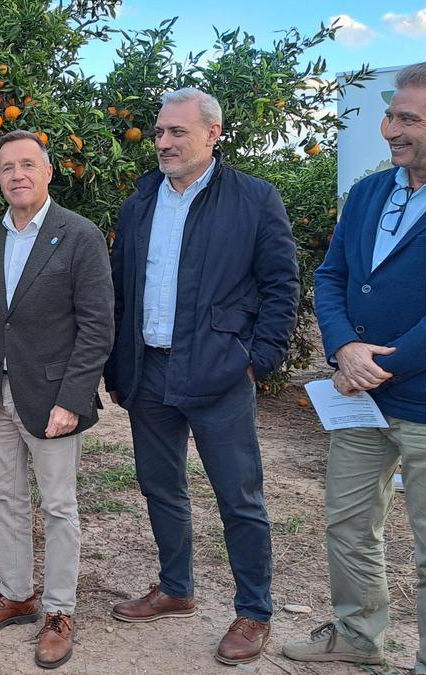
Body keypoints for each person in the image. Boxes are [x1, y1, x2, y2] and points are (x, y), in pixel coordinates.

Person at [284, 59, 426, 675]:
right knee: (348, 526)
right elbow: (332, 276)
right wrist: (341, 349)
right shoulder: (368, 191)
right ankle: (358, 638)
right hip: (360, 400)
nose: (390, 128)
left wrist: (377, 366)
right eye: (390, 115)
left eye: (409, 118)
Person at [103, 88, 299, 665]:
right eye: (159, 132)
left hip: (218, 373)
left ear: (213, 134)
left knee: (238, 496)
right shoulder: (140, 201)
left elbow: (282, 287)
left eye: (176, 133)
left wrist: (256, 359)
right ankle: (176, 589)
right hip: (150, 372)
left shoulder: (255, 200)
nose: (162, 142)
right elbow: (121, 289)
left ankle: (254, 611)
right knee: (160, 487)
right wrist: (119, 365)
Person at [0, 129, 115, 670]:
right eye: (6, 168)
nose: (17, 175)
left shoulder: (79, 236)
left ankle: (59, 612)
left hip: (51, 398)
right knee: (2, 497)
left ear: (49, 172)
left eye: (27, 165)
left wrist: (73, 397)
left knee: (59, 506)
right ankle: (17, 594)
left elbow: (97, 327)